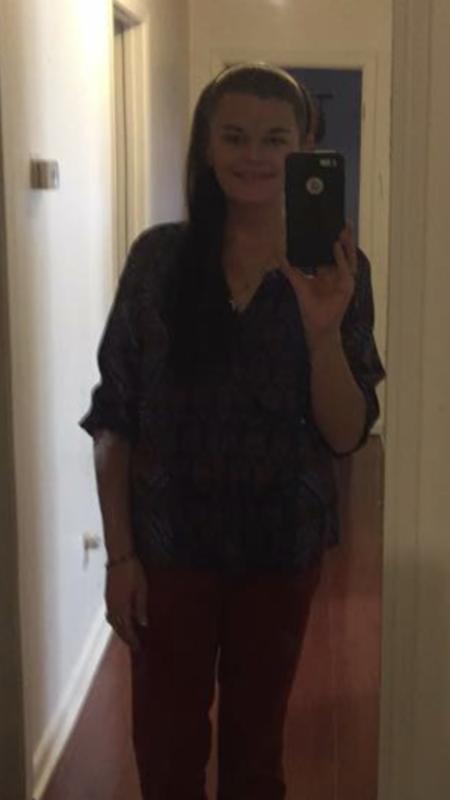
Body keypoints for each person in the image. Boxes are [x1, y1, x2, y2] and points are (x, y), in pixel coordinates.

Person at [80, 62, 385, 800]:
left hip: (278, 550)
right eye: (235, 136)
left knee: (257, 753)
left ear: (304, 147)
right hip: (168, 550)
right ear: (207, 146)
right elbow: (114, 418)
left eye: (275, 138)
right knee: (165, 750)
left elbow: (346, 434)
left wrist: (321, 332)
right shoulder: (157, 260)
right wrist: (120, 556)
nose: (254, 155)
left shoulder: (338, 269)